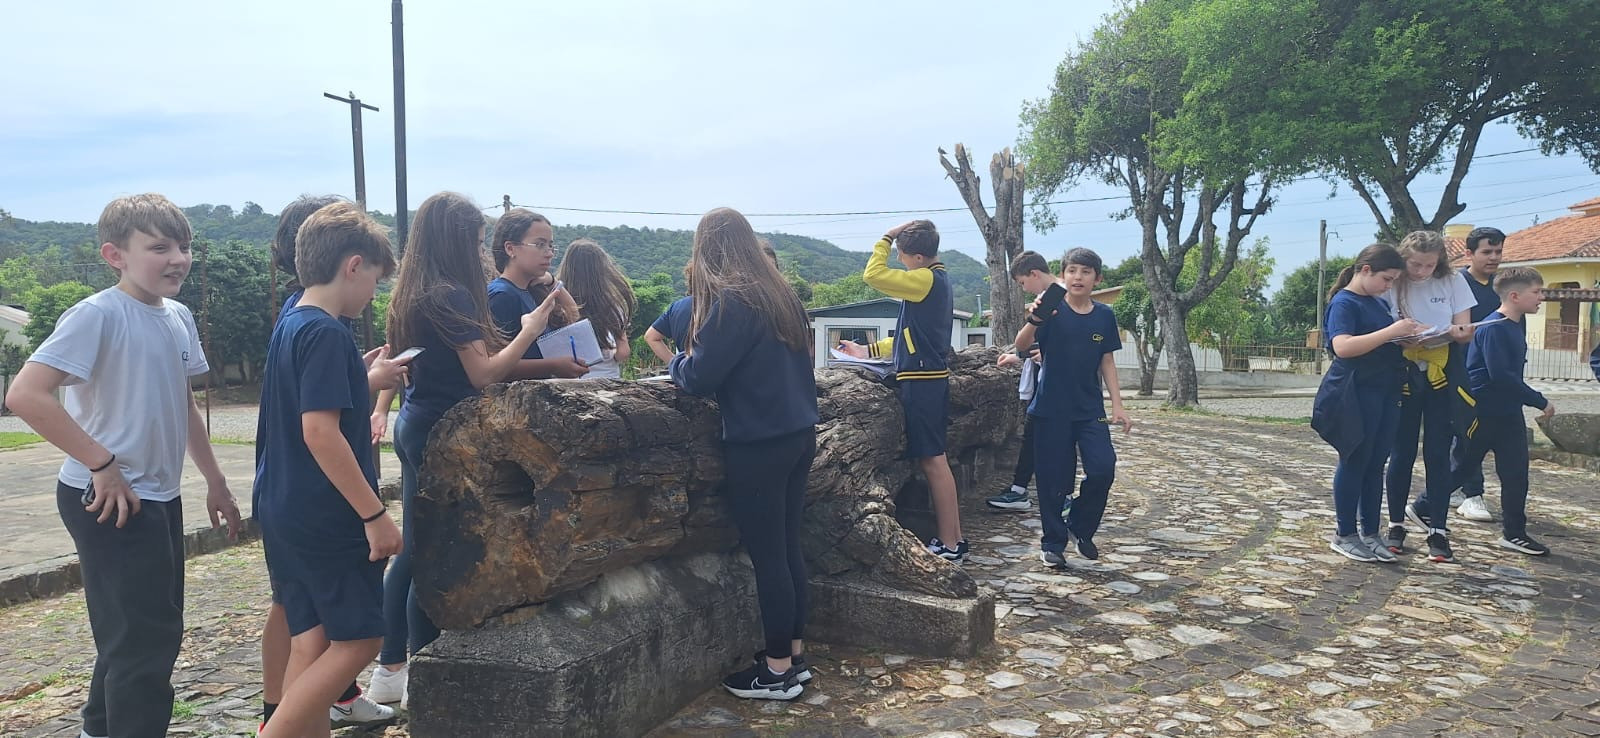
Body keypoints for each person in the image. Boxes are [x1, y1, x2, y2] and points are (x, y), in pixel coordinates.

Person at [5, 193, 243, 738]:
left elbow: (182, 403)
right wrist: (101, 463)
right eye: (159, 248)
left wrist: (215, 481)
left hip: (157, 493)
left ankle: (98, 729)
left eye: (183, 247)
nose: (177, 259)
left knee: (136, 632)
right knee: (147, 640)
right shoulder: (97, 314)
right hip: (108, 496)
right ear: (115, 255)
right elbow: (25, 394)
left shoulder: (178, 316)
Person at [369, 192, 562, 704]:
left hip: (418, 422)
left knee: (418, 548)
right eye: (476, 242)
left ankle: (394, 667)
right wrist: (529, 332)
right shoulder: (449, 295)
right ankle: (420, 669)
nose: (481, 252)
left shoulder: (414, 290)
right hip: (443, 432)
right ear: (454, 241)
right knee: (432, 553)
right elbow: (484, 374)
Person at [255, 202, 405, 738]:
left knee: (313, 639)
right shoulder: (327, 332)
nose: (373, 295)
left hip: (283, 504)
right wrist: (374, 514)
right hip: (325, 511)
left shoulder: (293, 319)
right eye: (375, 281)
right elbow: (320, 432)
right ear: (353, 265)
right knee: (360, 639)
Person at [670, 207, 818, 700]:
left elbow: (699, 376)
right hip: (798, 432)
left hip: (759, 441)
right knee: (788, 548)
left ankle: (776, 673)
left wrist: (675, 362)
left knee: (768, 557)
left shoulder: (733, 300)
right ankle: (793, 656)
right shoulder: (780, 294)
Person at [836, 220, 965, 561]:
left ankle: (950, 544)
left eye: (902, 255)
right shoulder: (935, 280)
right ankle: (955, 538)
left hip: (923, 382)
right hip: (929, 378)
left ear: (918, 258)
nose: (899, 260)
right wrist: (867, 351)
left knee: (933, 461)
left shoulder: (924, 279)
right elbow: (910, 335)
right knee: (937, 460)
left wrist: (886, 237)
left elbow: (873, 275)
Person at [1011, 248, 1131, 565]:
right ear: (1063, 275)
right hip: (1050, 410)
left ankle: (1080, 525)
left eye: (1086, 272)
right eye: (1072, 270)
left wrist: (1117, 405)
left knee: (1103, 468)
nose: (1078, 277)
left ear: (1097, 279)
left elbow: (1107, 360)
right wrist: (1035, 319)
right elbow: (1021, 345)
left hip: (1090, 410)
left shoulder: (1104, 315)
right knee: (1053, 480)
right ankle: (1053, 543)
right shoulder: (1051, 308)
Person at [1311, 243, 1421, 563]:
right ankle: (1345, 533)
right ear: (1366, 270)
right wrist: (1391, 332)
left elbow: (1378, 340)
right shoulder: (1344, 303)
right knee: (1355, 460)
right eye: (1386, 279)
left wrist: (1402, 338)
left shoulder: (1376, 303)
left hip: (1385, 389)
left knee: (1375, 464)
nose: (1388, 287)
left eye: (1393, 281)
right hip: (1355, 392)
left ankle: (1371, 533)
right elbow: (1343, 346)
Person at [1381, 231, 1476, 563]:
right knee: (1401, 452)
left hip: (1441, 374)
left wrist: (1457, 332)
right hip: (1402, 373)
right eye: (1415, 264)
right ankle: (1395, 524)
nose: (1421, 271)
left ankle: (1438, 529)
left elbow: (1463, 330)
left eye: (1429, 265)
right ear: (1403, 259)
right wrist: (1403, 335)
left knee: (1437, 453)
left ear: (1440, 262)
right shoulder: (1392, 282)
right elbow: (1382, 327)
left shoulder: (1452, 280)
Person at [1450, 266, 1554, 556]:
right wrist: (1539, 400)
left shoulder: (1513, 325)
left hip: (1507, 413)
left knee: (1516, 474)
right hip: (1485, 413)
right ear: (1514, 296)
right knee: (1463, 468)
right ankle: (1423, 507)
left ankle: (1514, 533)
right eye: (1536, 292)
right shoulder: (1494, 327)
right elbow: (1501, 376)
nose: (1541, 297)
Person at [987, 251, 1055, 512]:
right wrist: (1020, 356)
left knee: (1047, 439)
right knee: (1031, 435)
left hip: (1056, 384)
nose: (1024, 289)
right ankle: (1020, 489)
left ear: (1034, 274)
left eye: (1023, 283)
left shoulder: (1055, 299)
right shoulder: (1045, 299)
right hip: (1043, 378)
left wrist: (1024, 354)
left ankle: (1055, 495)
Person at [1452, 226, 1506, 522]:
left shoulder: (1502, 286)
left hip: (1494, 371)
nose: (1493, 257)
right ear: (1469, 253)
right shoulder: (1457, 284)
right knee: (1468, 431)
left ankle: (1455, 486)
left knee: (1470, 433)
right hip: (1461, 369)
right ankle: (1473, 493)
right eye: (1487, 252)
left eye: (1498, 251)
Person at [556, 238, 636, 379]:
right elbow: (623, 353)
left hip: (567, 381)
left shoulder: (555, 303)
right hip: (606, 380)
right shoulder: (612, 306)